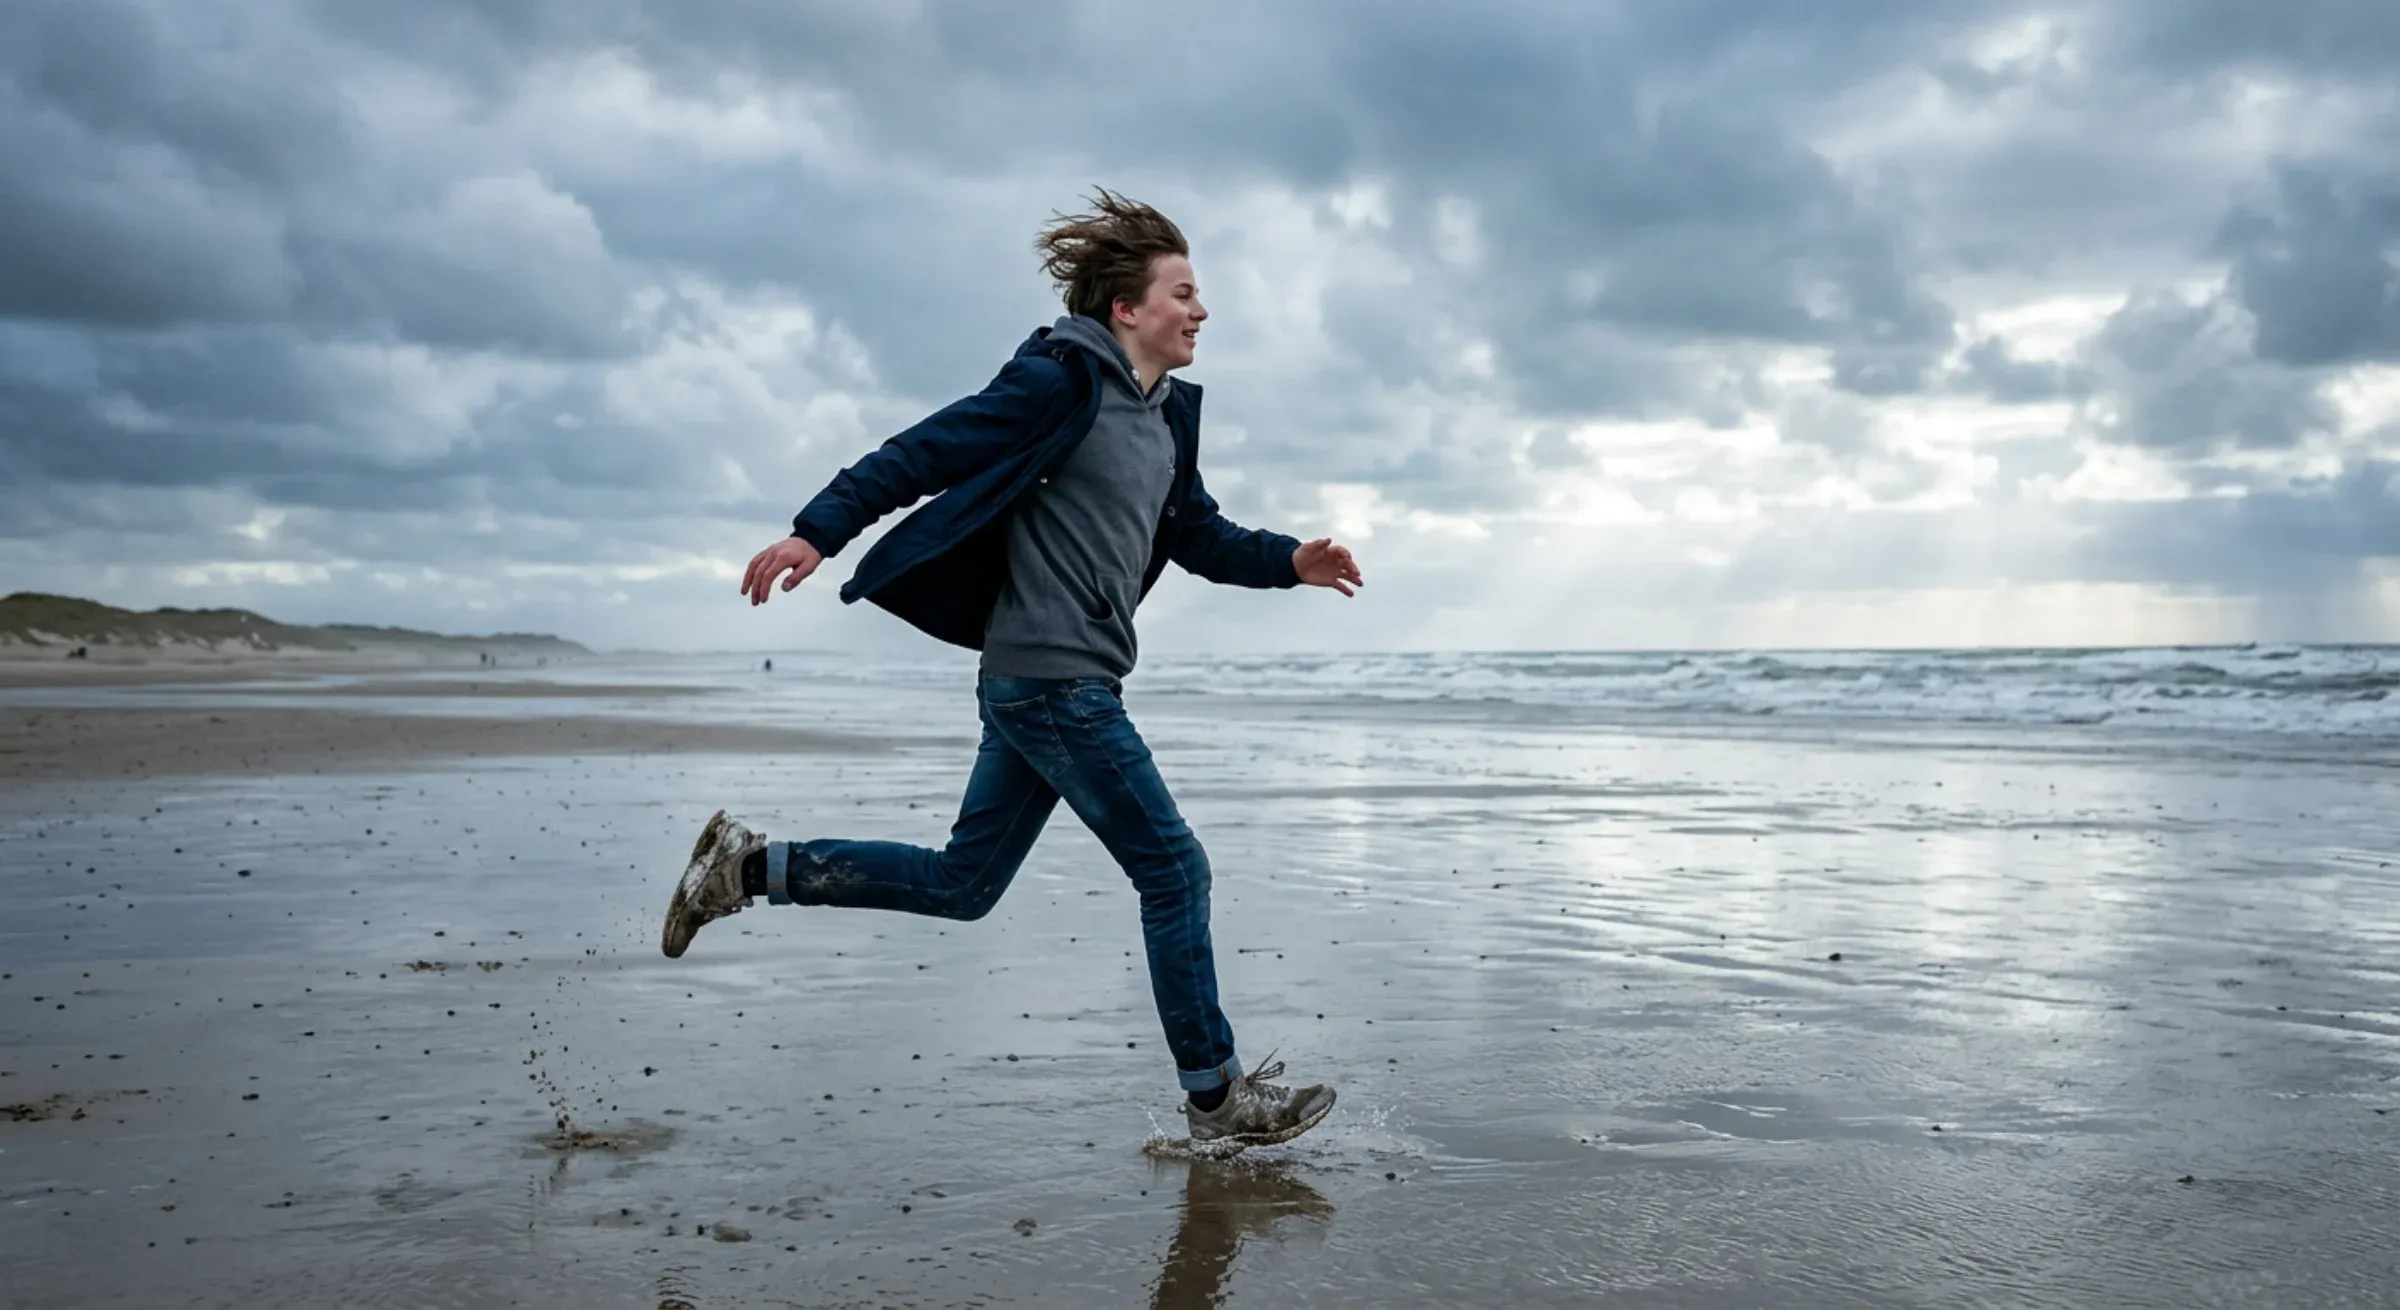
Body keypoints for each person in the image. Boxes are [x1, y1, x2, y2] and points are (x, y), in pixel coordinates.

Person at [662, 189, 1362, 1151]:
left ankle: (744, 869)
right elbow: (925, 451)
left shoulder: (1165, 419)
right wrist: (814, 531)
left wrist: (1289, 561)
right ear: (1126, 307)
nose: (1202, 312)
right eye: (1184, 292)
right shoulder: (1060, 383)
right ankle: (1217, 1100)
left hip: (1063, 683)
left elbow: (1195, 532)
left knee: (964, 884)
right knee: (1174, 871)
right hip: (1052, 680)